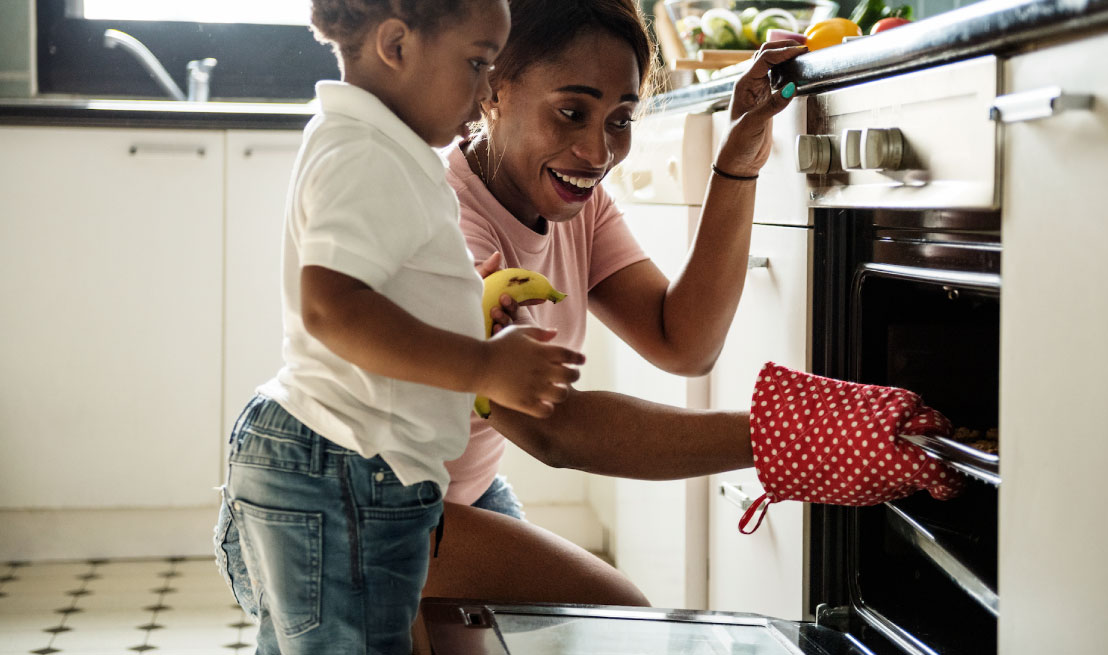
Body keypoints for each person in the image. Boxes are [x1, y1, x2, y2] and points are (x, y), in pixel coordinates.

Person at [212, 1, 587, 653]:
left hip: (336, 458)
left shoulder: (375, 144)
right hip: (345, 462)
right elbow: (333, 306)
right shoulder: (369, 153)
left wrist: (467, 316)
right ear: (395, 44)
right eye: (476, 62)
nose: (486, 87)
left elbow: (380, 291)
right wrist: (484, 367)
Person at [419, 0, 806, 614]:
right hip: (351, 503)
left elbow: (684, 343)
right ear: (493, 89)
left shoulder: (576, 204)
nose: (597, 153)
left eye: (619, 119)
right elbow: (553, 429)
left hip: (458, 494)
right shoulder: (450, 230)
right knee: (613, 613)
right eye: (572, 112)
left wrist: (739, 159)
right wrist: (789, 434)